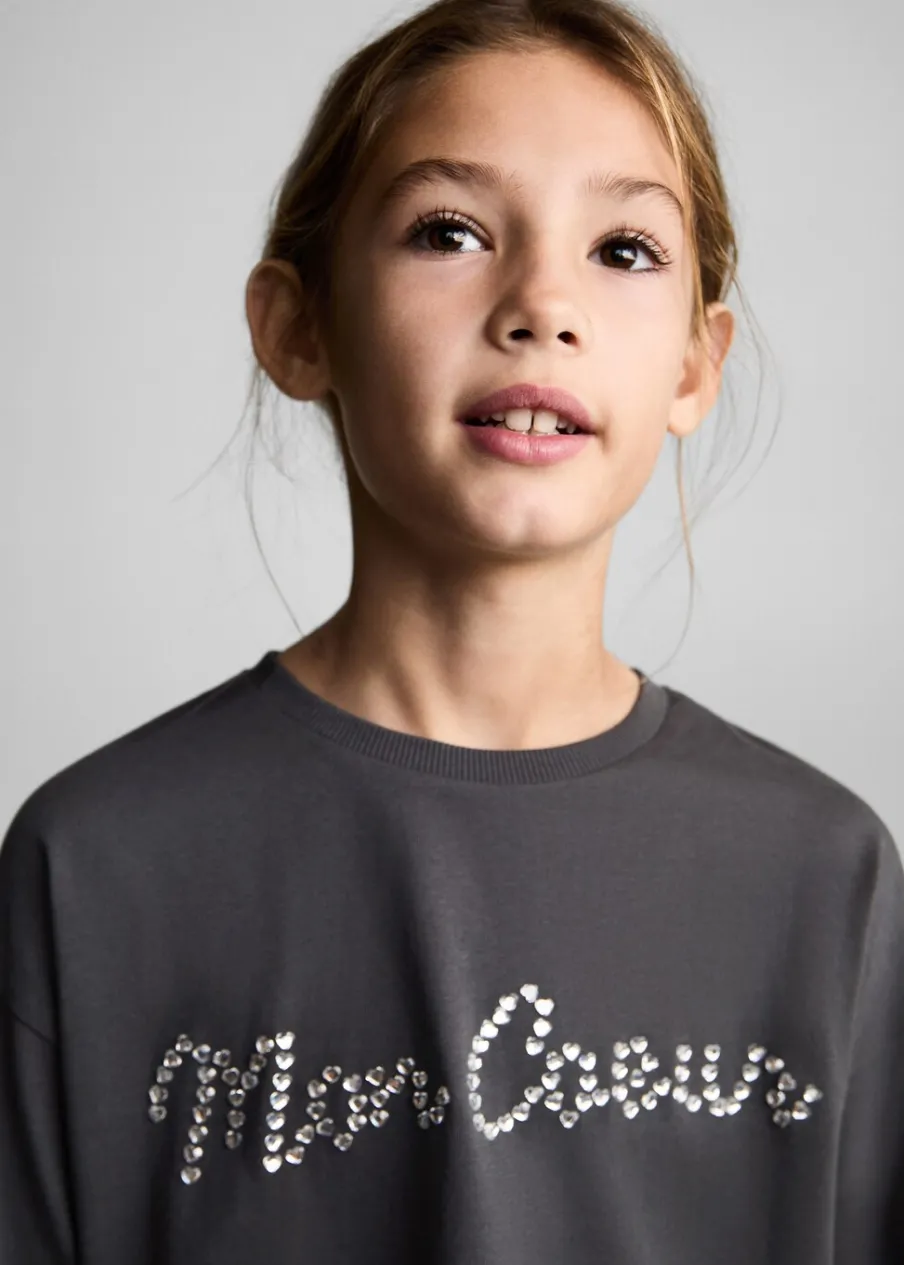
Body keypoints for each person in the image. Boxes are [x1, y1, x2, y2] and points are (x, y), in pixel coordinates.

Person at [2, 0, 902, 1260]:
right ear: (298, 326)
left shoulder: (823, 872)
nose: (541, 304)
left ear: (696, 366)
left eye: (624, 248)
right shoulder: (93, 864)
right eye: (450, 231)